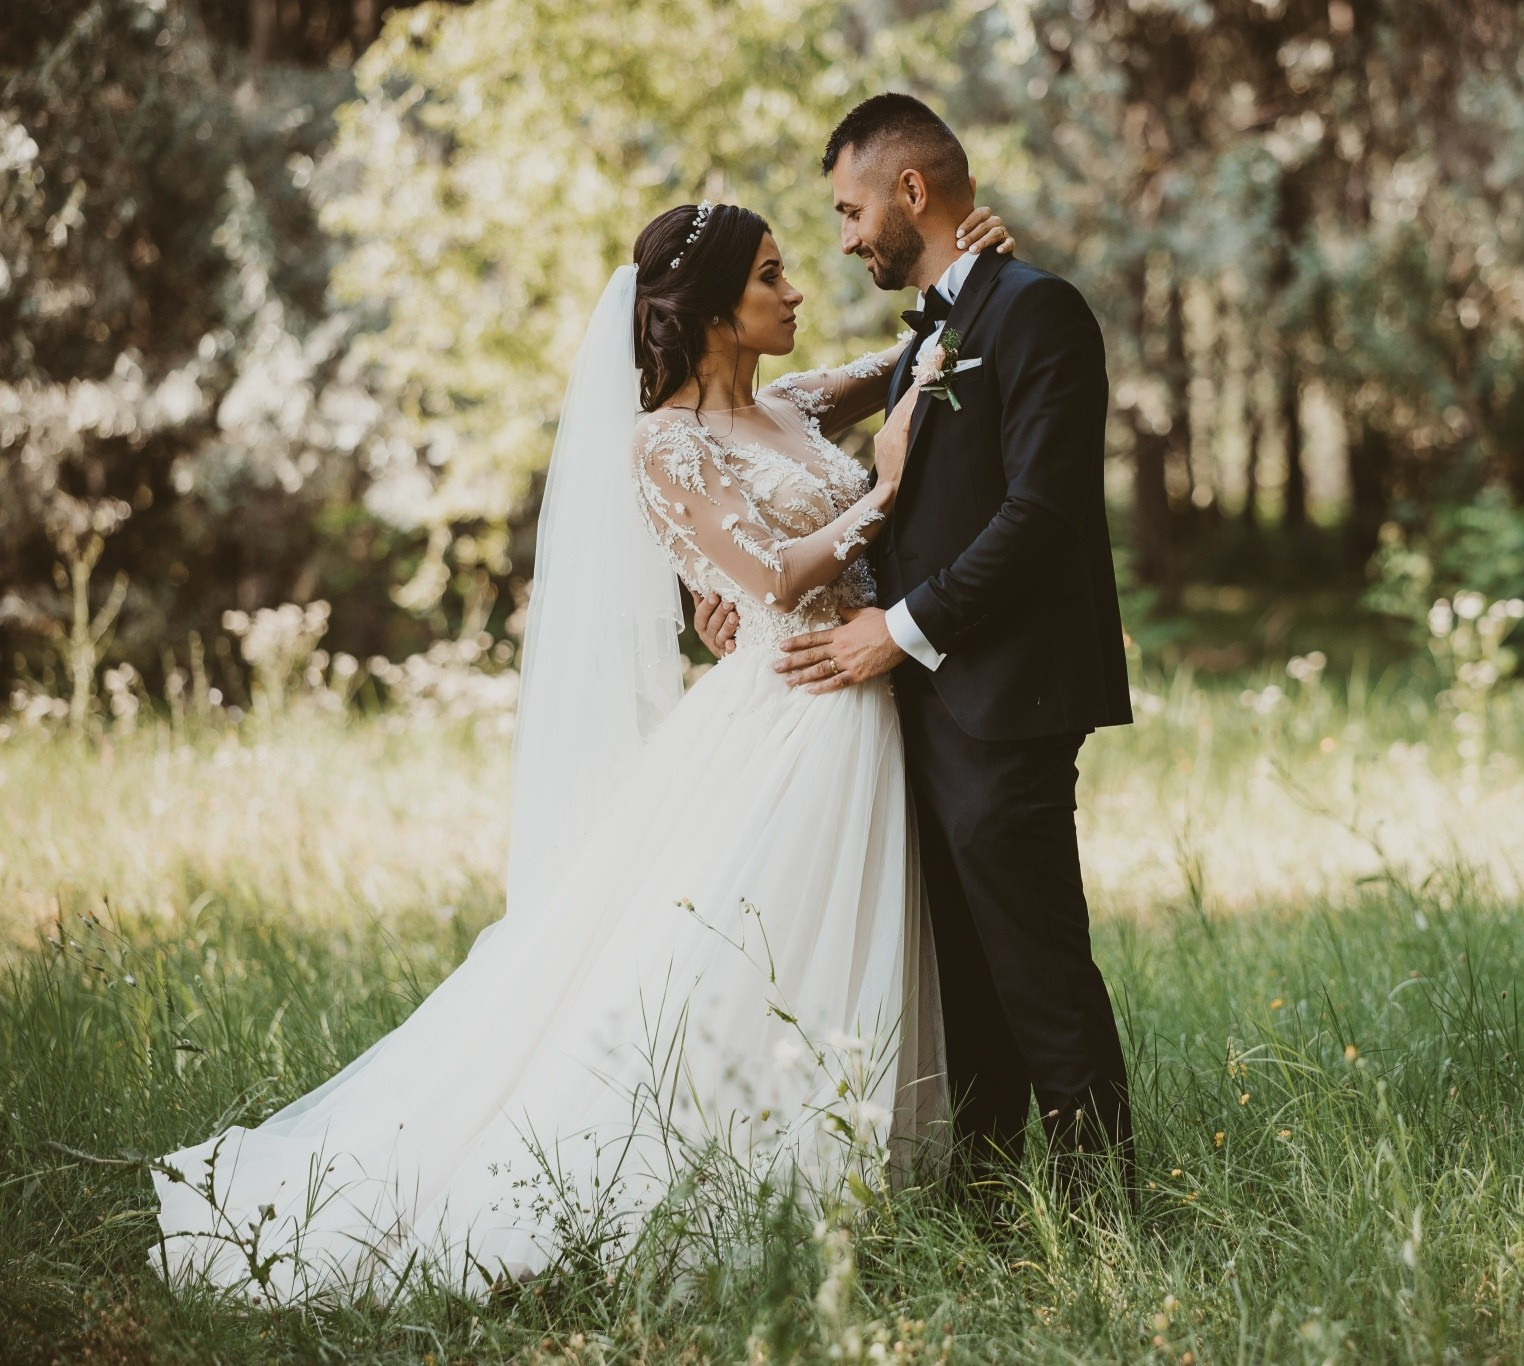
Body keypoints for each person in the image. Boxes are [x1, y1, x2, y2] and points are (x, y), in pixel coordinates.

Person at [151, 199, 1016, 1302]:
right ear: (713, 312)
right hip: (790, 717)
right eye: (770, 275)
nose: (796, 291)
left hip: (861, 704)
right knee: (736, 956)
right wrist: (885, 489)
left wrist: (978, 268)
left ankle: (856, 1177)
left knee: (834, 941)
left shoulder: (794, 404)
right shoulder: (663, 441)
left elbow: (917, 354)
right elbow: (765, 577)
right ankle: (727, 1186)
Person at [699, 93, 1137, 1197]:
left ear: (911, 191)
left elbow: (1038, 515)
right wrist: (727, 594)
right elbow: (849, 498)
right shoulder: (929, 336)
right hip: (916, 709)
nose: (845, 241)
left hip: (1003, 695)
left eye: (850, 212)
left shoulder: (1038, 313)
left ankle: (1101, 1209)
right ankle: (984, 1193)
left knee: (1034, 961)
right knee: (965, 974)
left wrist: (893, 633)